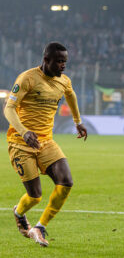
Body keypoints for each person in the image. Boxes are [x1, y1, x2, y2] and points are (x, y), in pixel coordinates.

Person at [4, 42, 87, 247]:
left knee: (66, 182)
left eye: (65, 61)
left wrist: (78, 122)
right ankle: (19, 211)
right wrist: (23, 132)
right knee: (35, 196)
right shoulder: (27, 78)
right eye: (59, 61)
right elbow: (9, 108)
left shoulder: (63, 81)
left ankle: (39, 227)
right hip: (20, 142)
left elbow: (71, 95)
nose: (63, 65)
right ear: (46, 60)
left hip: (46, 141)